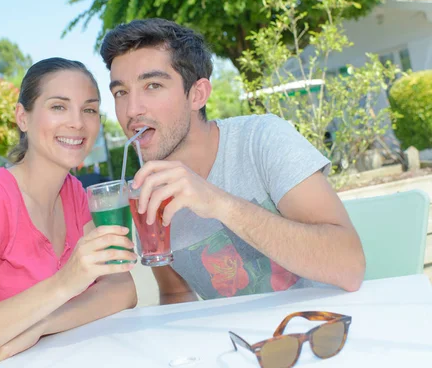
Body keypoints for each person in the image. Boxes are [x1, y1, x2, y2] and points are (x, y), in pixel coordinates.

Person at [100, 18, 365, 304]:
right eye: (121, 92)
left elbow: (350, 267)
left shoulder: (262, 139)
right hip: (237, 344)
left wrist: (220, 204)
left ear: (197, 94)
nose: (132, 110)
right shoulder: (146, 189)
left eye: (152, 85)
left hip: (326, 331)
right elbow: (176, 292)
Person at [0, 58, 138, 368]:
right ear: (22, 117)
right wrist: (63, 285)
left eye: (89, 110)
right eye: (58, 106)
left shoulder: (76, 194)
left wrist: (38, 326)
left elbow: (122, 289)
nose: (77, 123)